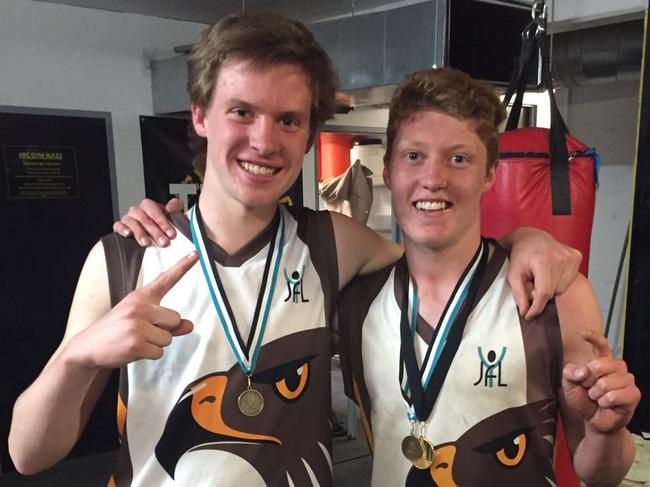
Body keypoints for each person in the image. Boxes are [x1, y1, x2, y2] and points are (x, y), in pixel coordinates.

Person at [9, 13, 579, 487]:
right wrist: (80, 355)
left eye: (287, 120)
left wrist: (526, 238)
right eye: (242, 111)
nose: (264, 140)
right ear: (201, 116)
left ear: (308, 137)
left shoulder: (332, 243)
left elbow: (443, 253)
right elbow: (29, 455)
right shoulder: (125, 257)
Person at [336, 67, 640, 487]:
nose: (433, 179)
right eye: (414, 156)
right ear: (388, 170)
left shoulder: (555, 296)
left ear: (490, 173)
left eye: (459, 158)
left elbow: (600, 473)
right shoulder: (356, 299)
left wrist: (609, 431)